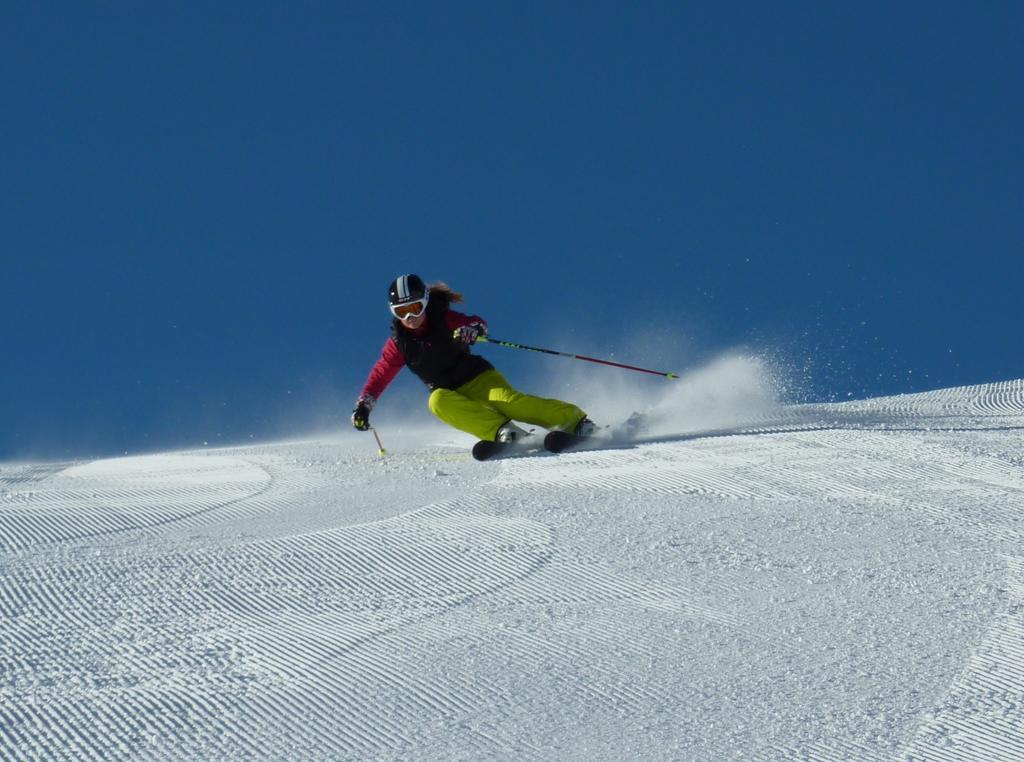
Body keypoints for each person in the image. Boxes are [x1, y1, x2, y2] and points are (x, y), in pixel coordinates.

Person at [351, 274, 595, 444]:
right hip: (448, 391)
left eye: (414, 308)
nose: (410, 317)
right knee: (436, 402)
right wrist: (364, 405)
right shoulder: (398, 344)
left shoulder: (443, 319)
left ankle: (575, 421)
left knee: (510, 402)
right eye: (401, 312)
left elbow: (477, 323)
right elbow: (381, 374)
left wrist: (473, 331)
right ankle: (502, 431)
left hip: (478, 378)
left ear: (425, 302)